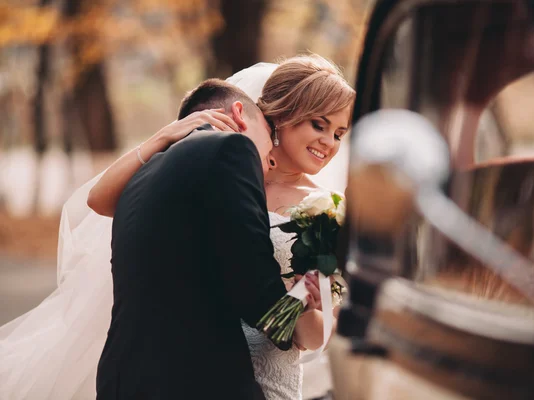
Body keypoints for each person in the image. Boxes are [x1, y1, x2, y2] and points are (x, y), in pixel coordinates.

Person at [0, 54, 354, 400]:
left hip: (245, 373)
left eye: (339, 134)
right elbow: (101, 201)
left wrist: (308, 299)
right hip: (197, 366)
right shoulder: (223, 163)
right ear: (282, 113)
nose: (329, 142)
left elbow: (314, 329)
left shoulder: (326, 211)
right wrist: (164, 136)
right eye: (318, 125)